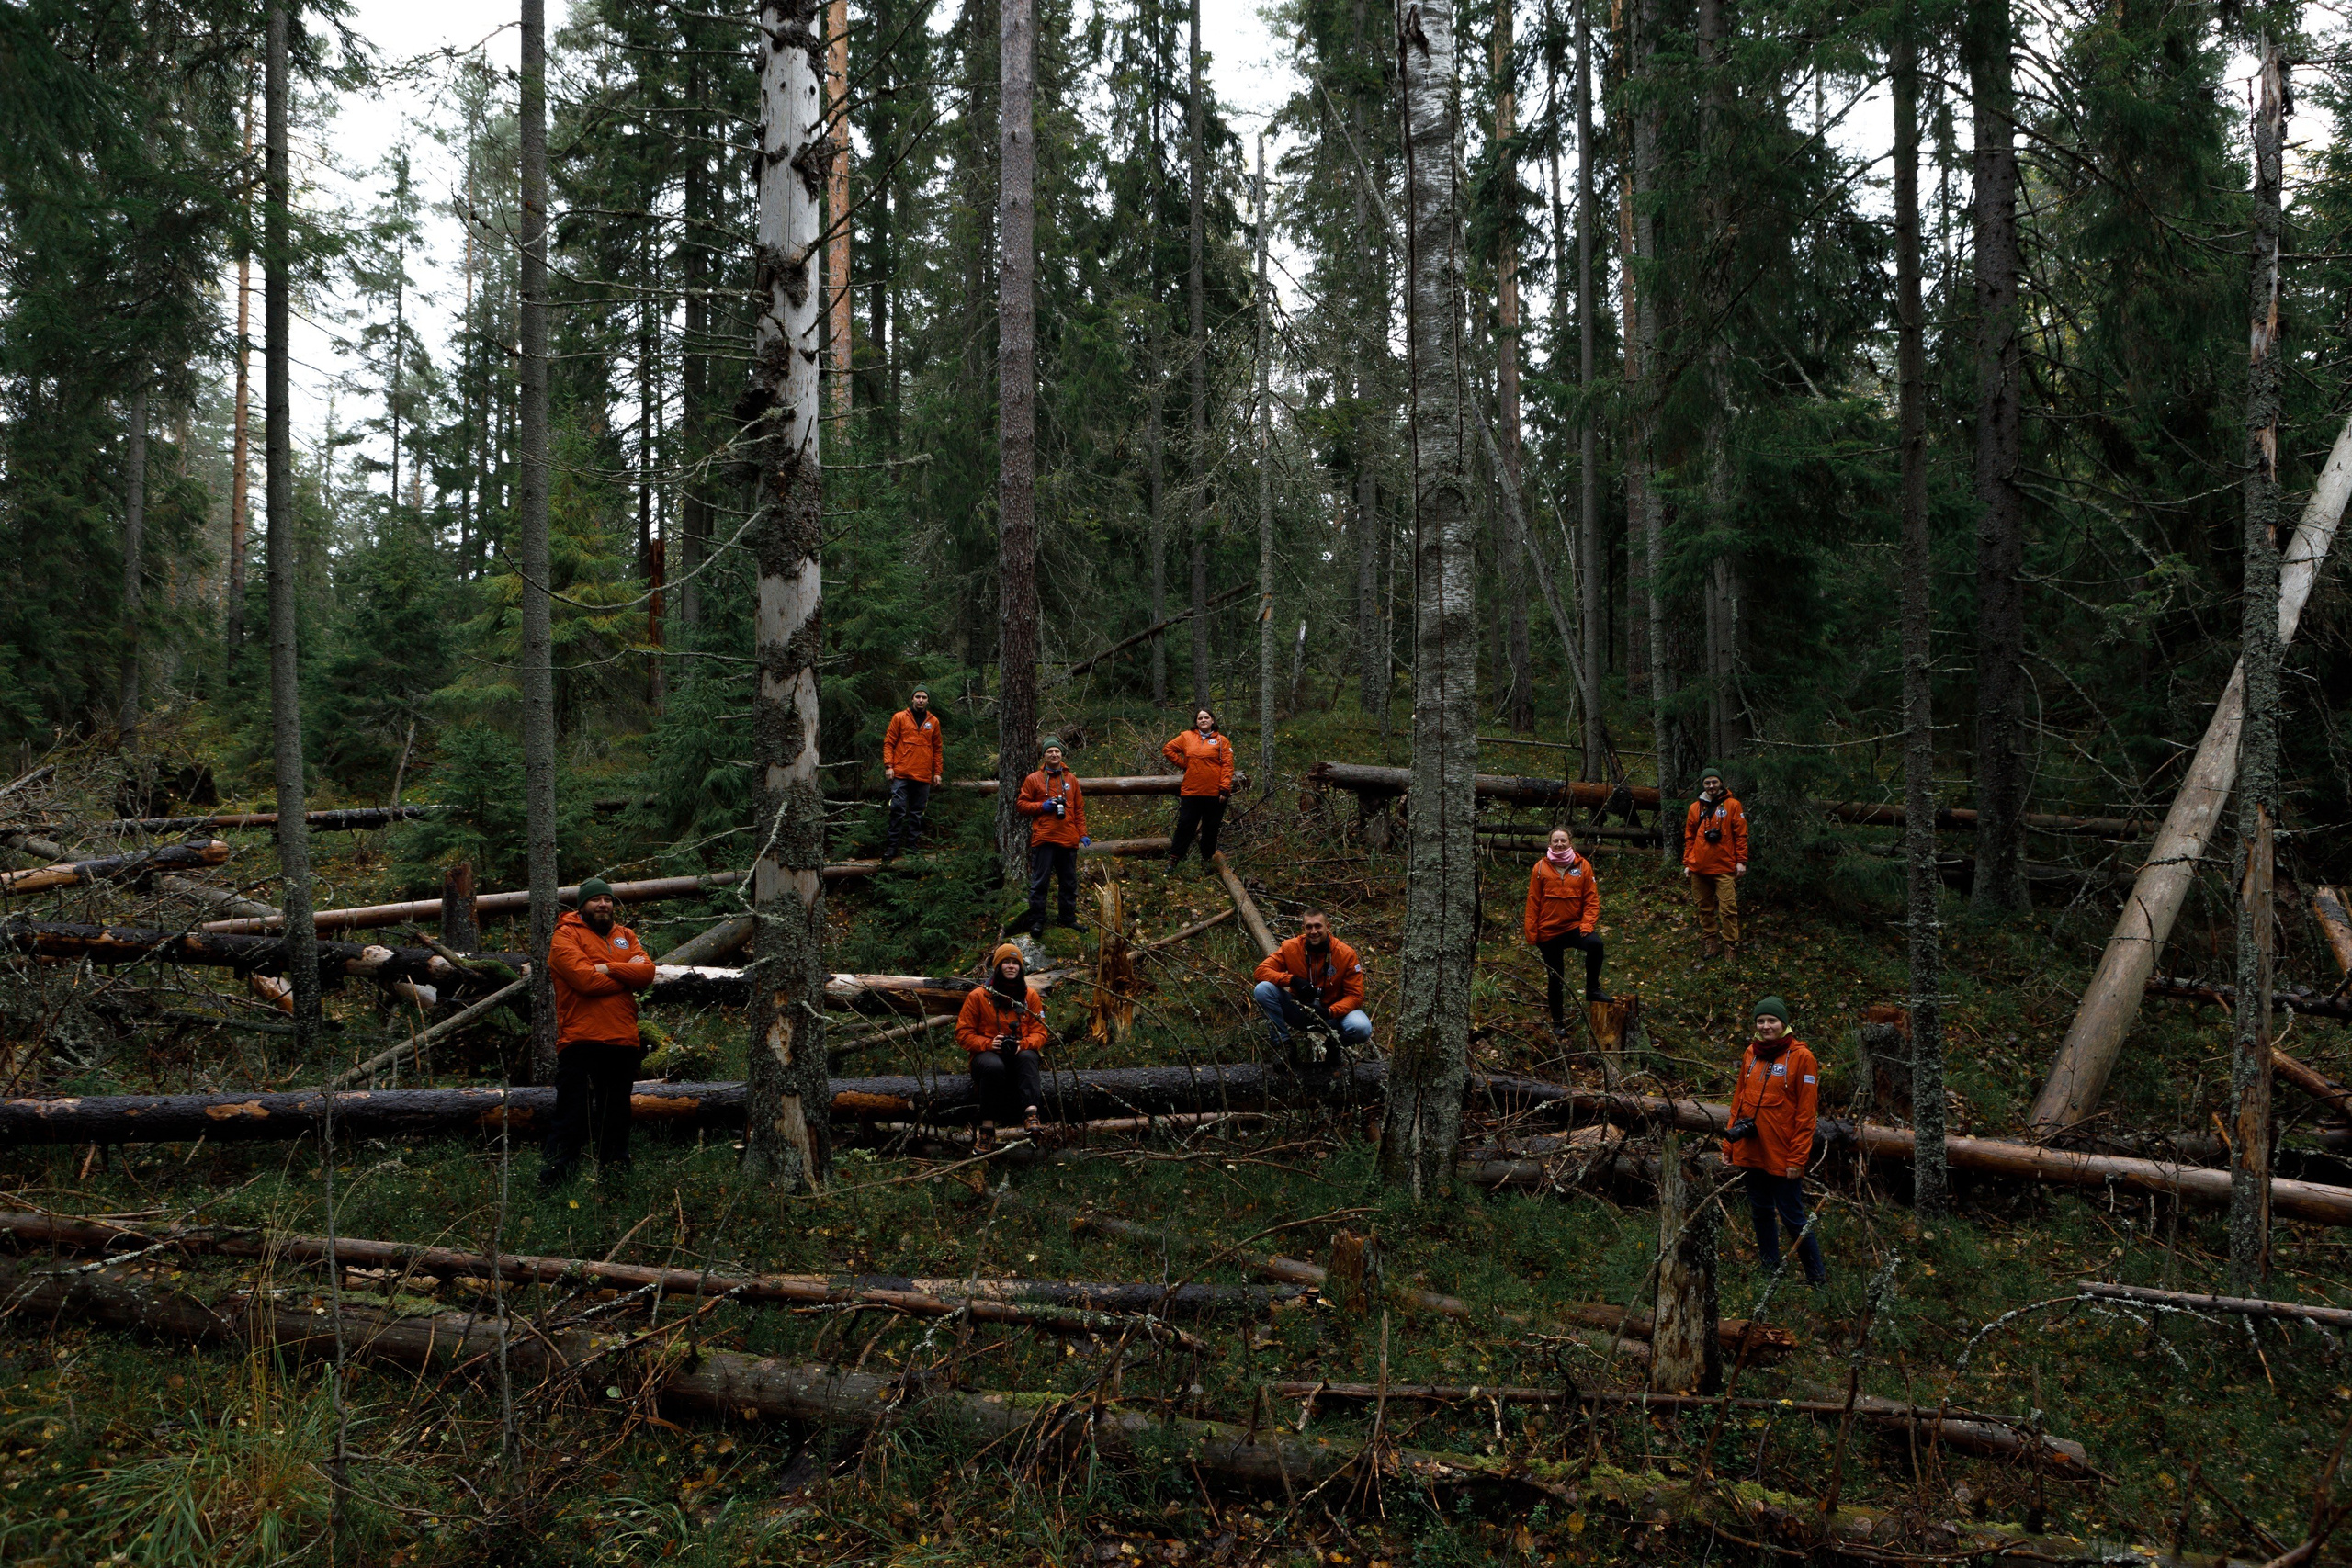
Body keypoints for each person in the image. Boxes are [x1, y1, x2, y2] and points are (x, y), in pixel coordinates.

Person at [539, 878, 657, 1188]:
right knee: (571, 1118)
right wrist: (624, 971)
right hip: (580, 1041)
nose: (603, 904)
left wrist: (606, 967)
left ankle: (615, 1185)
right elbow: (585, 982)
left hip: (622, 1040)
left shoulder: (626, 935)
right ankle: (556, 1187)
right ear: (582, 906)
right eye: (595, 900)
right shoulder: (565, 936)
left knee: (616, 1119)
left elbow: (647, 973)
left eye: (607, 899)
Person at [1722, 997, 1826, 1287]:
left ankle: (1817, 1280)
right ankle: (1770, 1271)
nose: (1766, 1026)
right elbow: (1738, 1102)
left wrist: (1797, 1158)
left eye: (1772, 1021)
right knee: (1761, 1211)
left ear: (1784, 1024)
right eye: (1761, 1021)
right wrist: (1730, 1144)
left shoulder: (1802, 1058)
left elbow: (1807, 1116)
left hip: (1783, 1154)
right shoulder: (1750, 1054)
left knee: (1793, 1218)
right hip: (1753, 1149)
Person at [956, 942, 1050, 1149]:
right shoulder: (979, 996)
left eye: (1015, 963)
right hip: (986, 1055)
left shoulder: (1030, 996)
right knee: (993, 1066)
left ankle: (1031, 1116)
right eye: (1006, 962)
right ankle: (987, 1130)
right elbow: (962, 1033)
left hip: (1018, 1054)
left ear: (1021, 968)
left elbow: (1041, 1032)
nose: (1011, 966)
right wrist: (989, 1044)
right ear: (998, 967)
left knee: (1028, 1056)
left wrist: (1022, 1043)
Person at [1250, 909, 1373, 1061]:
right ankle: (1284, 1046)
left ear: (1328, 927)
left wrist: (1329, 1011)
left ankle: (1334, 1045)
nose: (1313, 931)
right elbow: (1260, 971)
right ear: (1303, 928)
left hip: (1333, 1016)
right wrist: (1292, 980)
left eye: (1318, 926)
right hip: (1300, 1011)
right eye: (1309, 927)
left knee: (1362, 1028)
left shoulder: (1346, 954)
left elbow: (1355, 996)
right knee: (1262, 990)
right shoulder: (1291, 947)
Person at [1523, 827, 1607, 1039]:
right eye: (1555, 841)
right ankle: (1558, 1022)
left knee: (1596, 945)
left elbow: (1591, 900)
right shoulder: (1540, 868)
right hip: (1548, 932)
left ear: (1571, 843)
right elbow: (1533, 902)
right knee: (1555, 977)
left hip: (1573, 928)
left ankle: (1592, 989)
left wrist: (1587, 926)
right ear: (1549, 844)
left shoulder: (1583, 866)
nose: (1559, 844)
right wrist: (1532, 933)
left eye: (1563, 840)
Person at [1012, 739, 1088, 937]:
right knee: (1040, 882)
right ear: (1044, 756)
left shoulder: (1071, 779)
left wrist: (1083, 833)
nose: (1054, 755)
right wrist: (1042, 806)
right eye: (1050, 752)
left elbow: (1079, 809)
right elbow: (1021, 805)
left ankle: (1068, 918)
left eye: (1057, 752)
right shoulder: (1033, 779)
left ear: (1062, 755)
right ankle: (1037, 921)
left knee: (1069, 882)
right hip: (1044, 838)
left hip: (1068, 838)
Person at [1683, 764, 1749, 959]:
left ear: (1721, 783)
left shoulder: (1733, 805)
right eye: (1707, 783)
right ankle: (1710, 941)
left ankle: (1730, 944)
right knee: (1704, 907)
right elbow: (1689, 837)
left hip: (1725, 867)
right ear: (1703, 785)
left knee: (1728, 908)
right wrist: (1688, 863)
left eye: (1714, 782)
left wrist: (1741, 861)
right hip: (1699, 867)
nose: (1711, 786)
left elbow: (1741, 835)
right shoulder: (1695, 808)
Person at [1162, 707, 1235, 873]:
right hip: (1191, 791)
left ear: (1212, 721)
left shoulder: (1222, 741)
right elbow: (1168, 749)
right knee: (1185, 825)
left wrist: (1224, 788)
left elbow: (1227, 765)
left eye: (1206, 718)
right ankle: (1174, 860)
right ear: (1196, 722)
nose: (1203, 720)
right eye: (1200, 718)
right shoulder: (1186, 737)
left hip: (1215, 794)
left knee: (1211, 828)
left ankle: (1206, 861)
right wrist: (1183, 765)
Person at [881, 686, 945, 861]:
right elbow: (889, 743)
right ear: (912, 698)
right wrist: (889, 766)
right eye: (917, 696)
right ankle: (892, 847)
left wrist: (937, 772)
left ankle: (912, 848)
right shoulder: (900, 718)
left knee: (917, 813)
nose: (920, 700)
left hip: (923, 775)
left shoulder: (934, 722)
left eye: (924, 697)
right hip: (901, 773)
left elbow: (938, 749)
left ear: (928, 700)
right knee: (897, 809)